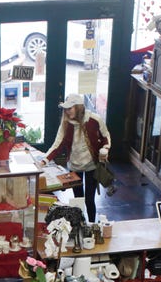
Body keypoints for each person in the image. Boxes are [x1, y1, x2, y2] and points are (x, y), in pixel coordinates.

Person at [40, 94, 112, 222]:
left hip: (92, 165)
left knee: (90, 199)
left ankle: (91, 225)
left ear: (78, 107)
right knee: (78, 200)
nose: (67, 112)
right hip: (74, 165)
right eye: (66, 109)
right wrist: (44, 160)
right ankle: (80, 225)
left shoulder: (94, 119)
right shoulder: (66, 124)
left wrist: (105, 148)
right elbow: (57, 144)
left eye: (70, 108)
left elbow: (106, 136)